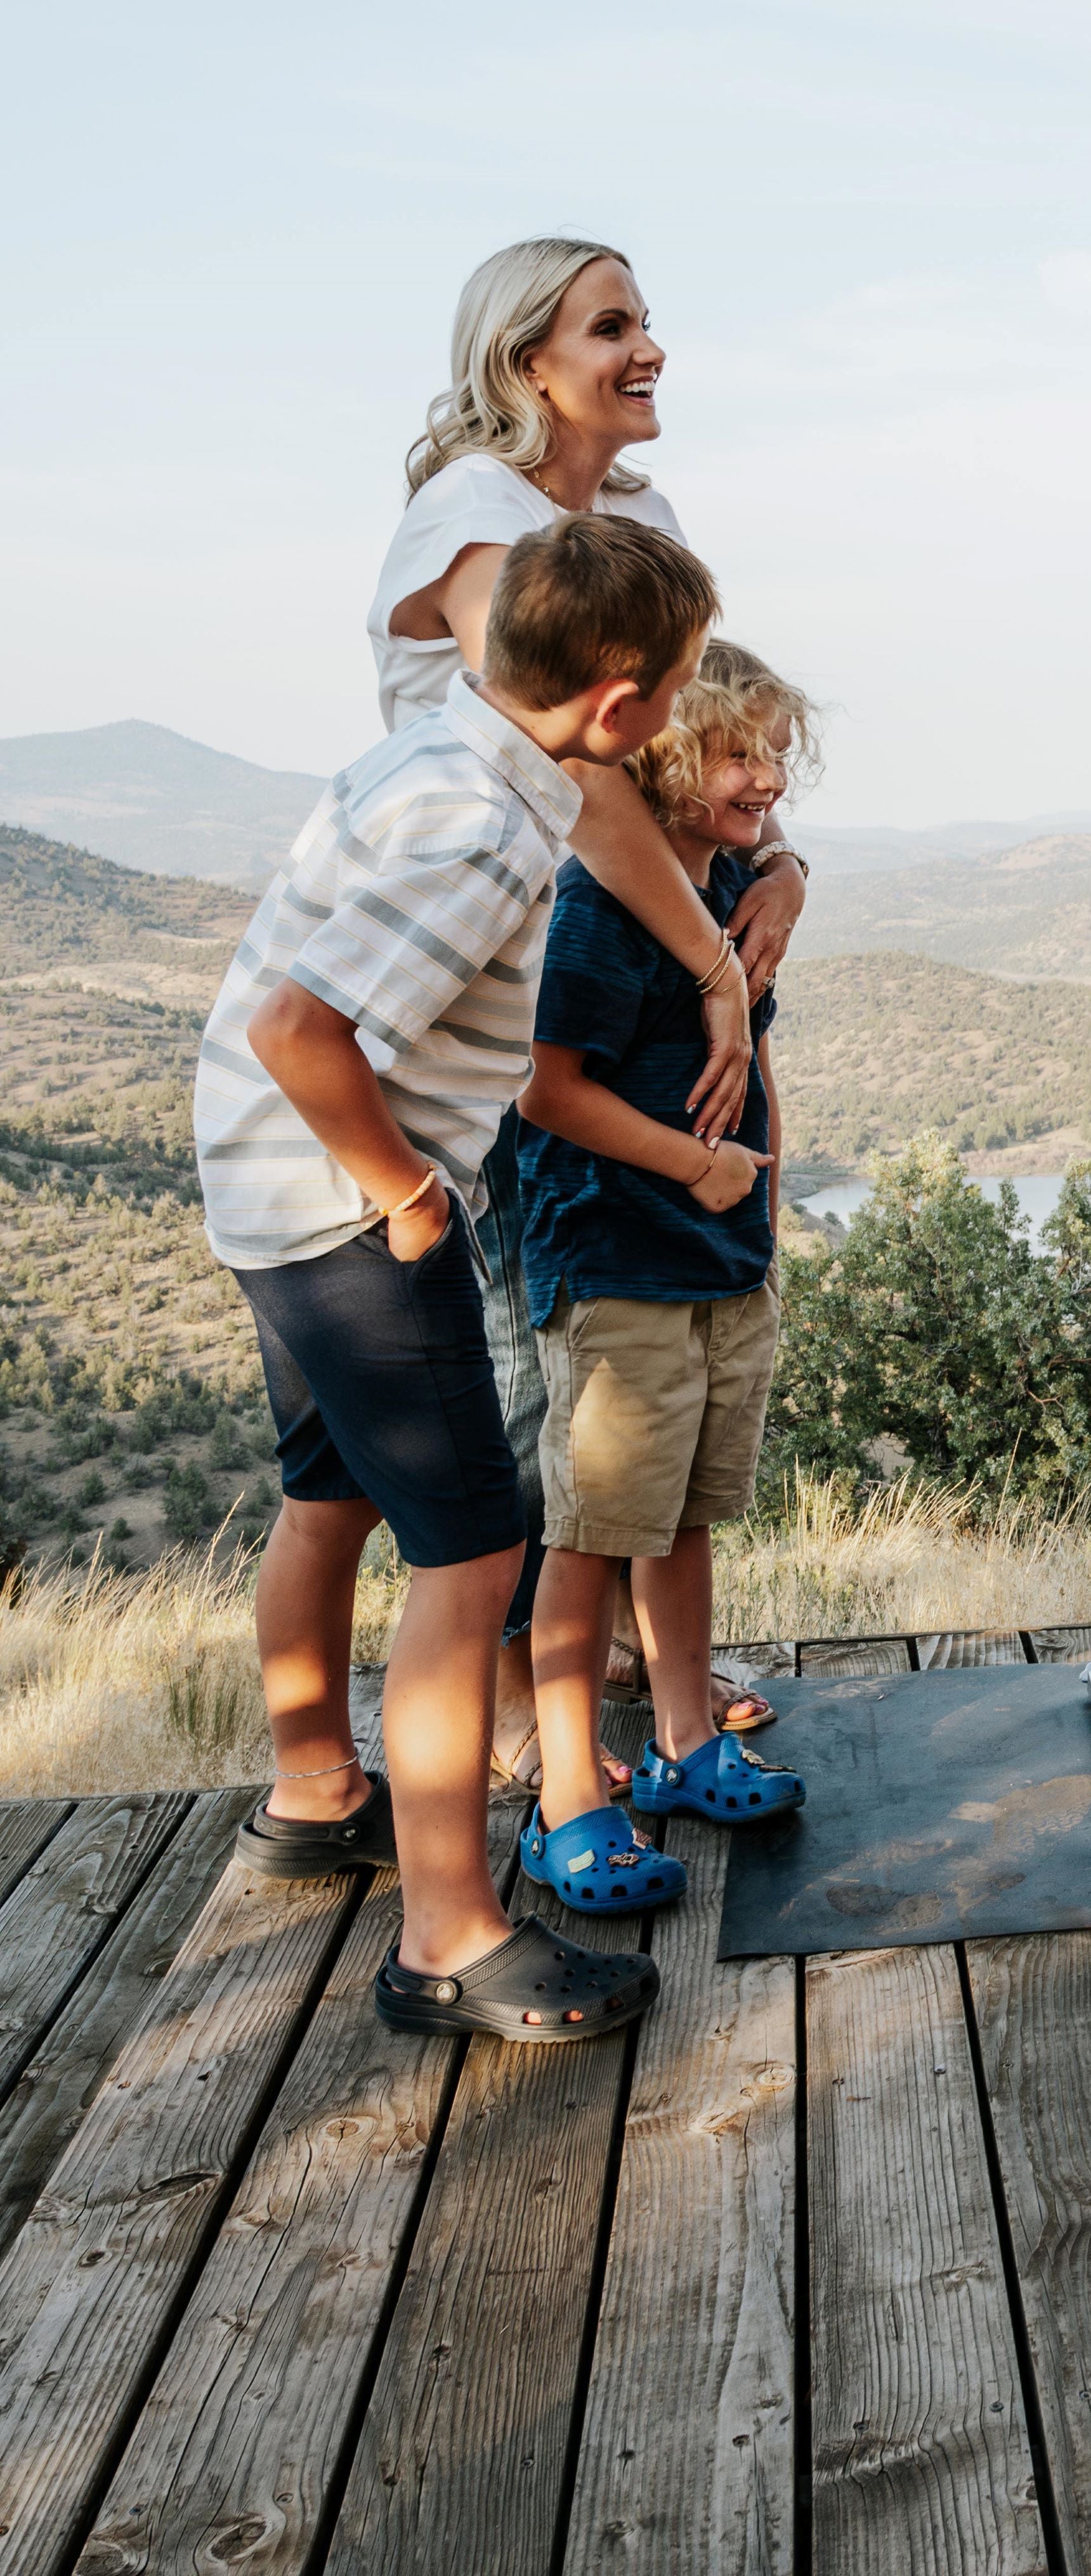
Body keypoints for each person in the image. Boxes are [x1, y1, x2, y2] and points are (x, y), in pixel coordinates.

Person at [195, 512, 721, 2040]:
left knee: (329, 1490)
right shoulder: (487, 833)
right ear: (620, 707)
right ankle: (453, 1938)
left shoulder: (441, 742)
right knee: (472, 1553)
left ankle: (314, 1791)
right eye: (678, 687)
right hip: (344, 1210)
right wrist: (410, 1195)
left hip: (259, 1184)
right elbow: (308, 1030)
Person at [370, 235, 799, 1773]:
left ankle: (634, 1666)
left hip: (624, 923)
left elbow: (683, 736)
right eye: (611, 326)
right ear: (522, 365)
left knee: (628, 1411)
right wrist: (707, 969)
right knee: (529, 1363)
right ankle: (513, 1707)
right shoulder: (479, 521)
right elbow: (584, 766)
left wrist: (779, 866)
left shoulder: (637, 517)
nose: (650, 348)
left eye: (646, 321)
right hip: (496, 954)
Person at [513, 643, 816, 1909]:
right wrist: (692, 1170)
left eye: (776, 751)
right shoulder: (600, 907)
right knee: (591, 1537)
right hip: (621, 1260)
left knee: (681, 1518)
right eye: (741, 754)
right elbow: (548, 1090)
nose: (768, 776)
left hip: (720, 1263)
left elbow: (754, 1065)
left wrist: (757, 1207)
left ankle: (690, 1745)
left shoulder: (735, 884)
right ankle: (572, 1795)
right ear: (665, 761)